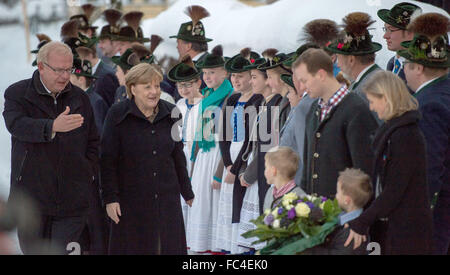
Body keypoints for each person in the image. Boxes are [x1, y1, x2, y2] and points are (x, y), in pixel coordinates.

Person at [3, 41, 99, 254]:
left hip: (72, 202)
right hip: (31, 202)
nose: (65, 76)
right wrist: (52, 126)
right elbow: (16, 125)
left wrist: (86, 171)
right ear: (41, 66)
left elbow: (93, 141)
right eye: (59, 70)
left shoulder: (80, 98)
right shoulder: (17, 94)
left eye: (69, 70)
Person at [100, 63, 194, 255]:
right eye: (147, 87)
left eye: (157, 86)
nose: (154, 92)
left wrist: (186, 190)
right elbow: (107, 160)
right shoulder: (117, 115)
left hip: (167, 197)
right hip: (131, 201)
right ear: (132, 88)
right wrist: (110, 198)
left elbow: (177, 155)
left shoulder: (172, 113)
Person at [345, 71, 433, 255]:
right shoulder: (392, 131)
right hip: (395, 228)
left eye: (372, 101)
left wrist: (362, 221)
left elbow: (394, 189)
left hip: (407, 233)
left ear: (386, 98)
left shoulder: (405, 136)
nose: (371, 107)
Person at [398, 12, 450, 254]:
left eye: (406, 65)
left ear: (417, 67)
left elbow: (428, 167)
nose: (404, 73)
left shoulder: (427, 105)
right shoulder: (442, 93)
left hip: (436, 216)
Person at [295, 48, 377, 198]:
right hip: (318, 211)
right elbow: (309, 165)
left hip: (346, 211)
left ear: (320, 75)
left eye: (304, 80)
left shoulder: (355, 109)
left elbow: (365, 170)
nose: (301, 87)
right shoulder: (314, 109)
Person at [215, 48, 263, 254]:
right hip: (231, 157)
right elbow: (223, 135)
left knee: (241, 201)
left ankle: (242, 249)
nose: (236, 80)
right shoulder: (233, 99)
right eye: (233, 75)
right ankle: (230, 247)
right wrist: (226, 163)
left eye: (240, 76)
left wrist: (235, 169)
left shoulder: (258, 101)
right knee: (228, 203)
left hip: (243, 158)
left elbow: (250, 142)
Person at [186, 45, 233, 254]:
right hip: (204, 155)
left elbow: (229, 137)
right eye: (204, 73)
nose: (207, 77)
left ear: (225, 72)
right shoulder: (206, 97)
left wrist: (220, 171)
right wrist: (193, 162)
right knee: (201, 203)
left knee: (213, 205)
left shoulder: (229, 97)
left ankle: (214, 249)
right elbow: (198, 134)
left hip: (218, 155)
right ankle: (201, 250)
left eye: (212, 72)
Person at [167, 54, 203, 239]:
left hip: (199, 156)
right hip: (182, 156)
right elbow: (175, 135)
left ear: (198, 82)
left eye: (188, 84)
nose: (184, 89)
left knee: (196, 196)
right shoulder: (178, 105)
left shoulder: (205, 104)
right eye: (180, 85)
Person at [303, 168, 372, 255]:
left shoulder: (353, 232)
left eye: (338, 192)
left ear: (347, 200)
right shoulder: (341, 215)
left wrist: (306, 251)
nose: (336, 196)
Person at [279, 44, 319, 186]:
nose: (294, 79)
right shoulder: (304, 104)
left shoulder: (309, 105)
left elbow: (304, 152)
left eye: (295, 74)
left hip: (298, 182)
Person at [326, 12, 383, 108]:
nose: (338, 65)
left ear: (351, 60)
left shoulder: (362, 92)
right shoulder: (382, 77)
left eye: (339, 58)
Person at [168, 5, 212, 101]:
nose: (177, 47)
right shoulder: (209, 62)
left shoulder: (202, 68)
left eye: (178, 43)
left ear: (188, 46)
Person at [377, 2, 422, 84]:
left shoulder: (419, 70)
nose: (385, 36)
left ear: (410, 33)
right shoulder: (393, 63)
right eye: (385, 29)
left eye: (391, 30)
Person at [262, 146, 307, 211]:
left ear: (273, 170)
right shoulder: (270, 192)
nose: (264, 171)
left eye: (266, 167)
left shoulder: (300, 197)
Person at [257, 49, 291, 131]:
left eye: (270, 77)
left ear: (282, 78)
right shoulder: (280, 101)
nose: (267, 82)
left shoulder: (290, 104)